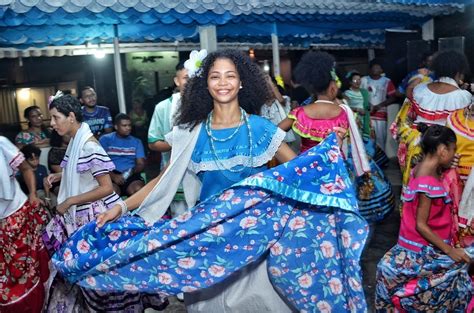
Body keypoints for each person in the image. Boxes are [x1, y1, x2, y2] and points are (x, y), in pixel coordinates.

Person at [52, 50, 368, 313]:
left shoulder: (259, 128)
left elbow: (299, 167)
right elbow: (162, 180)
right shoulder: (192, 132)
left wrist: (330, 151)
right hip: (207, 238)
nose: (223, 82)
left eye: (230, 75)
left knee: (259, 304)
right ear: (206, 83)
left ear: (242, 82)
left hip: (255, 235)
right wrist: (120, 208)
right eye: (215, 75)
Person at [43, 93, 165, 312]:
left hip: (97, 218)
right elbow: (80, 171)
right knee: (89, 276)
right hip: (84, 215)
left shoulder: (90, 146)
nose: (52, 124)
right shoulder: (75, 143)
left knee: (103, 279)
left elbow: (106, 187)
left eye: (55, 117)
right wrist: (58, 176)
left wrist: (71, 200)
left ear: (71, 117)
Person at [279, 51, 393, 224]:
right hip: (335, 173)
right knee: (333, 216)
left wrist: (292, 159)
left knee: (307, 213)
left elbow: (273, 137)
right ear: (332, 87)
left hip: (306, 170)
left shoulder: (299, 113)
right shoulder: (345, 113)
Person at [376, 124, 473, 311]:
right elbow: (421, 225)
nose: (455, 155)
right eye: (453, 150)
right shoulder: (428, 184)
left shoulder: (419, 168)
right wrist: (450, 250)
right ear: (443, 150)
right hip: (423, 250)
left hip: (409, 244)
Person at [392, 50, 472, 187]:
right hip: (446, 155)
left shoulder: (419, 90)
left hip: (416, 150)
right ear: (459, 72)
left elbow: (401, 123)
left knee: (416, 192)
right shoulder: (464, 97)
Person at [0, 136, 49, 313]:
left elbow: (26, 168)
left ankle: (35, 306)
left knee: (25, 270)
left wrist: (33, 194)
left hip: (15, 214)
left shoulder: (1, 143)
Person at [148, 59, 189, 216]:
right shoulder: (163, 107)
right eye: (186, 78)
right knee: (180, 225)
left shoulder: (209, 105)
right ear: (177, 81)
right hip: (175, 176)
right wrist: (182, 144)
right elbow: (153, 143)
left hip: (204, 178)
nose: (190, 81)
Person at [100, 113, 146, 197]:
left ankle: (136, 210)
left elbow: (141, 164)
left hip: (130, 174)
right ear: (116, 126)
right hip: (110, 174)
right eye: (124, 125)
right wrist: (114, 176)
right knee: (111, 193)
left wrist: (131, 171)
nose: (128, 128)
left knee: (138, 190)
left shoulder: (136, 142)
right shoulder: (105, 139)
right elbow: (100, 163)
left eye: (129, 125)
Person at [361, 60, 397, 151]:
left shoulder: (386, 81)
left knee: (381, 140)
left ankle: (381, 162)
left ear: (381, 69)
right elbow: (359, 95)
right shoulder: (364, 80)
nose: (375, 69)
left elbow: (393, 97)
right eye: (374, 67)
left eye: (378, 67)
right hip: (366, 115)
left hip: (381, 115)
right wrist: (368, 105)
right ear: (370, 69)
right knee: (367, 140)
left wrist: (378, 106)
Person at [260, 75, 298, 152]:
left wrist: (270, 82)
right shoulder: (263, 106)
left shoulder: (284, 100)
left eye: (272, 89)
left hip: (286, 139)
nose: (269, 91)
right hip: (271, 140)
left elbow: (280, 99)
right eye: (267, 90)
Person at [343, 71, 371, 138]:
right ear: (350, 82)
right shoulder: (347, 93)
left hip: (364, 121)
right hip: (353, 121)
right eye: (355, 80)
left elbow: (366, 104)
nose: (358, 82)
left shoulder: (364, 92)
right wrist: (357, 109)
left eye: (359, 80)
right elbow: (344, 108)